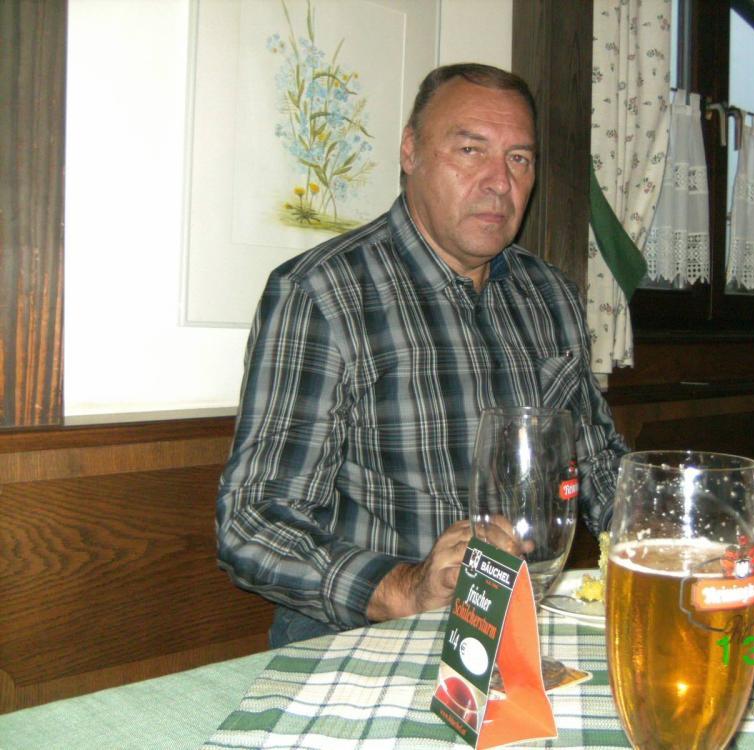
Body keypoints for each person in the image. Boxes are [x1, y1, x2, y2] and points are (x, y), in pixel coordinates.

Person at [216, 63, 629, 648]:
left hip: (525, 626)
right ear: (410, 152)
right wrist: (405, 588)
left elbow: (602, 464)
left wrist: (666, 531)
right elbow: (253, 521)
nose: (499, 182)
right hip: (366, 638)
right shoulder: (323, 294)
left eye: (519, 158)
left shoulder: (552, 295)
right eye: (470, 150)